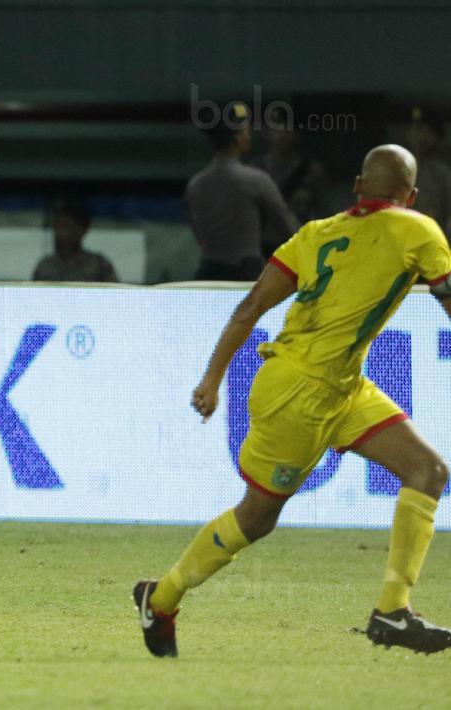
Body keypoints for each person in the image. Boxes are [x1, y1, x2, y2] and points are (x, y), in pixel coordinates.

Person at [134, 144, 451, 657]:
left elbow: (249, 307)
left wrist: (212, 379)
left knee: (427, 471)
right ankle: (162, 597)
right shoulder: (420, 230)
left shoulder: (313, 234)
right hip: (298, 395)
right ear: (411, 196)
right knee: (257, 518)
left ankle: (392, 611)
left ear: (357, 188)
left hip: (342, 386)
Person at [187, 102, 299, 278]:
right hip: (246, 274)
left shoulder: (196, 185)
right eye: (246, 132)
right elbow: (288, 228)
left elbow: (198, 234)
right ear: (238, 139)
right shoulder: (256, 180)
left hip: (208, 274)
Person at [253, 125, 328, 249]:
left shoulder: (310, 171)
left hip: (299, 241)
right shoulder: (257, 170)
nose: (283, 135)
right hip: (264, 243)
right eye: (277, 129)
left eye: (288, 130)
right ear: (267, 134)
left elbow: (322, 209)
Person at [31, 199, 118, 283]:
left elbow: (115, 291)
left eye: (66, 225)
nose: (61, 231)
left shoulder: (99, 265)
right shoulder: (45, 266)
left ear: (82, 230)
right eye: (57, 224)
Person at [406, 106, 451, 235]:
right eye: (414, 129)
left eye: (423, 130)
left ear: (435, 136)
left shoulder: (442, 171)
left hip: (432, 236)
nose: (417, 136)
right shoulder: (397, 166)